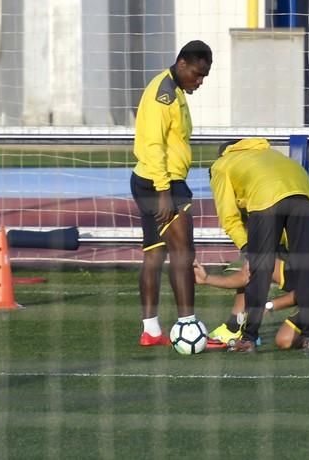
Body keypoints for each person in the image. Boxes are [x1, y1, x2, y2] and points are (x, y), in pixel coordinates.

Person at [130, 40, 212, 346]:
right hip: (161, 184)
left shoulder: (174, 88)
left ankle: (151, 330)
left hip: (149, 179)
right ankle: (188, 327)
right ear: (181, 64)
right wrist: (164, 191)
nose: (200, 81)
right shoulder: (163, 96)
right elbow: (154, 145)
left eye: (204, 76)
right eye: (197, 74)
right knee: (183, 253)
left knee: (154, 255)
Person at [209, 137, 309, 353]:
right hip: (303, 187)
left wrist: (246, 247)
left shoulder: (221, 165)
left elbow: (229, 217)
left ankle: (249, 338)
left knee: (260, 270)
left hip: (266, 195)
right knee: (306, 267)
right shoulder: (265, 153)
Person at [194, 221, 309, 349]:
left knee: (284, 341)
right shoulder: (279, 232)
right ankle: (234, 328)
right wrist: (207, 278)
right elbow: (247, 275)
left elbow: (307, 293)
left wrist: (269, 306)